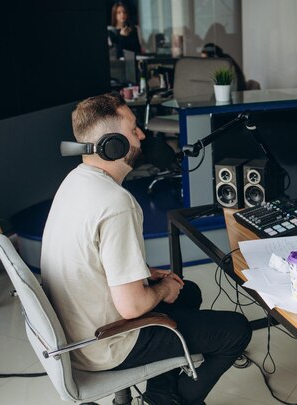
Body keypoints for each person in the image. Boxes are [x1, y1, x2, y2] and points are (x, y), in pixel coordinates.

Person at [41, 92, 252, 405]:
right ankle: (172, 401)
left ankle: (161, 392)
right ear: (112, 145)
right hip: (106, 344)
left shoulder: (75, 181)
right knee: (236, 330)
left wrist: (146, 276)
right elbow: (132, 308)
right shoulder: (116, 203)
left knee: (188, 291)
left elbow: (91, 261)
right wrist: (161, 287)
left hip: (79, 330)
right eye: (133, 129)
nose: (142, 134)